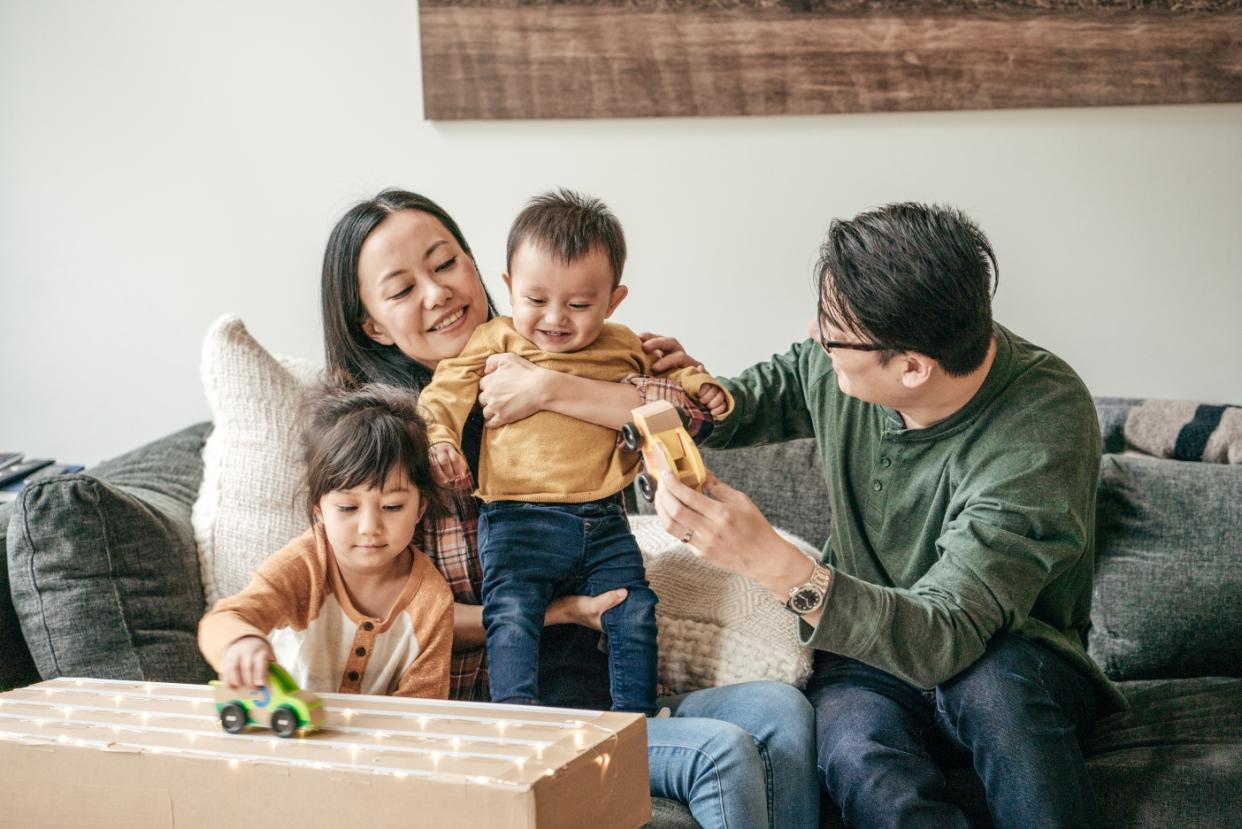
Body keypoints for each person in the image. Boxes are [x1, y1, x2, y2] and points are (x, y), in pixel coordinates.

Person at [319, 188, 818, 829]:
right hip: (495, 704)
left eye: (444, 264)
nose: (437, 293)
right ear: (372, 326)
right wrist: (559, 611)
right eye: (401, 289)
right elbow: (379, 619)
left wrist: (556, 386)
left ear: (480, 269)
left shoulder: (569, 351)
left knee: (780, 711)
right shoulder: (376, 445)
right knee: (718, 753)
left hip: (599, 685)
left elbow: (685, 417)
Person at [649, 202, 1125, 828]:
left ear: (911, 367)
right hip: (865, 659)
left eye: (834, 333)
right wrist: (694, 397)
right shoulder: (842, 369)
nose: (817, 338)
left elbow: (946, 635)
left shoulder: (1040, 426)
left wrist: (774, 563)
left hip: (1009, 652)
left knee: (995, 694)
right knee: (854, 744)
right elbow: (772, 388)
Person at [418, 189, 730, 714]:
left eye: (580, 305)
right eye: (536, 301)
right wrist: (441, 438)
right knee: (511, 613)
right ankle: (516, 717)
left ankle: (638, 718)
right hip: (518, 519)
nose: (555, 319)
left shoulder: (624, 343)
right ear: (510, 287)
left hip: (604, 519)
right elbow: (445, 391)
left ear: (612, 300)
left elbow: (674, 383)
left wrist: (702, 385)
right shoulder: (496, 340)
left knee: (634, 610)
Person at [199, 382, 455, 699]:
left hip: (376, 743)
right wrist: (241, 642)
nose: (370, 527)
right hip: (284, 729)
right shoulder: (305, 563)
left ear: (420, 509)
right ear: (319, 508)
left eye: (392, 507)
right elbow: (225, 619)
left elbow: (424, 710)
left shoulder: (432, 599)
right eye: (348, 507)